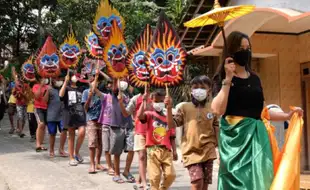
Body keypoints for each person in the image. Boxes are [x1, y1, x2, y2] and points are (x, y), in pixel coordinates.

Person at [211, 31, 303, 190]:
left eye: (248, 48)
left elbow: (263, 112)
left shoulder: (255, 78)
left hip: (258, 138)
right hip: (234, 141)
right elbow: (218, 109)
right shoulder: (221, 79)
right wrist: (228, 79)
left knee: (262, 181)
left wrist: (287, 115)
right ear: (231, 51)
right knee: (236, 184)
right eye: (241, 48)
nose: (245, 52)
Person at [170, 75, 218, 190]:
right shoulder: (184, 107)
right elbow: (172, 124)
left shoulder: (213, 107)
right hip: (191, 151)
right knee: (197, 183)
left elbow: (216, 126)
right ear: (191, 90)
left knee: (205, 185)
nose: (199, 90)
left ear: (209, 90)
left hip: (208, 151)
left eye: (202, 87)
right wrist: (168, 109)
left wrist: (219, 147)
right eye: (195, 87)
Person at [138, 89, 176, 190]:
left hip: (166, 151)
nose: (158, 104)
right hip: (152, 149)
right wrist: (143, 101)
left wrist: (175, 151)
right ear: (152, 101)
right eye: (156, 101)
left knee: (170, 175)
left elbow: (172, 135)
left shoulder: (169, 118)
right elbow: (140, 116)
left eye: (161, 101)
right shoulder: (150, 115)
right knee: (154, 177)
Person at [118, 87, 150, 189]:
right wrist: (120, 103)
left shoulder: (155, 98)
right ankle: (143, 182)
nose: (147, 85)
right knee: (142, 156)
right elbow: (126, 113)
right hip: (138, 130)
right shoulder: (136, 99)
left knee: (146, 157)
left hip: (152, 132)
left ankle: (139, 180)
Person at [59, 73, 86, 166]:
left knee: (82, 132)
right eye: (73, 76)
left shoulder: (81, 88)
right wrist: (65, 82)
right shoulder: (66, 88)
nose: (75, 77)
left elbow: (91, 87)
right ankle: (71, 157)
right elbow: (61, 95)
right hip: (69, 114)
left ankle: (76, 152)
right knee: (71, 135)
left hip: (80, 114)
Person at [82, 77, 106, 173]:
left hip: (101, 120)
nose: (93, 83)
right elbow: (85, 108)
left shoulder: (101, 93)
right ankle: (92, 164)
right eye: (92, 81)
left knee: (100, 143)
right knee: (92, 142)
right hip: (91, 120)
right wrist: (89, 97)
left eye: (95, 81)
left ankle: (98, 163)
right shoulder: (86, 92)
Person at [46, 78, 68, 157]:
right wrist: (47, 91)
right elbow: (45, 101)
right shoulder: (49, 89)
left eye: (59, 79)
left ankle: (61, 149)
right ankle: (51, 150)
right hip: (52, 115)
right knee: (52, 134)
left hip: (62, 114)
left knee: (64, 131)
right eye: (56, 79)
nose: (58, 80)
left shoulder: (64, 88)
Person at [33, 78, 49, 151]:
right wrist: (41, 86)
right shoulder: (36, 86)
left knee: (44, 126)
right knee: (41, 124)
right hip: (38, 107)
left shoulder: (48, 87)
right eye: (43, 78)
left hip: (47, 108)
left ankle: (41, 144)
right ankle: (38, 144)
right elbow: (36, 96)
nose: (45, 79)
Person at [12, 67, 28, 138]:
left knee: (24, 119)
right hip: (19, 103)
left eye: (22, 77)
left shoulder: (26, 85)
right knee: (20, 117)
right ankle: (20, 131)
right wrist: (17, 93)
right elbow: (14, 94)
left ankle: (20, 129)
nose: (22, 78)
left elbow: (28, 94)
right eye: (20, 77)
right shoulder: (16, 85)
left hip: (25, 103)